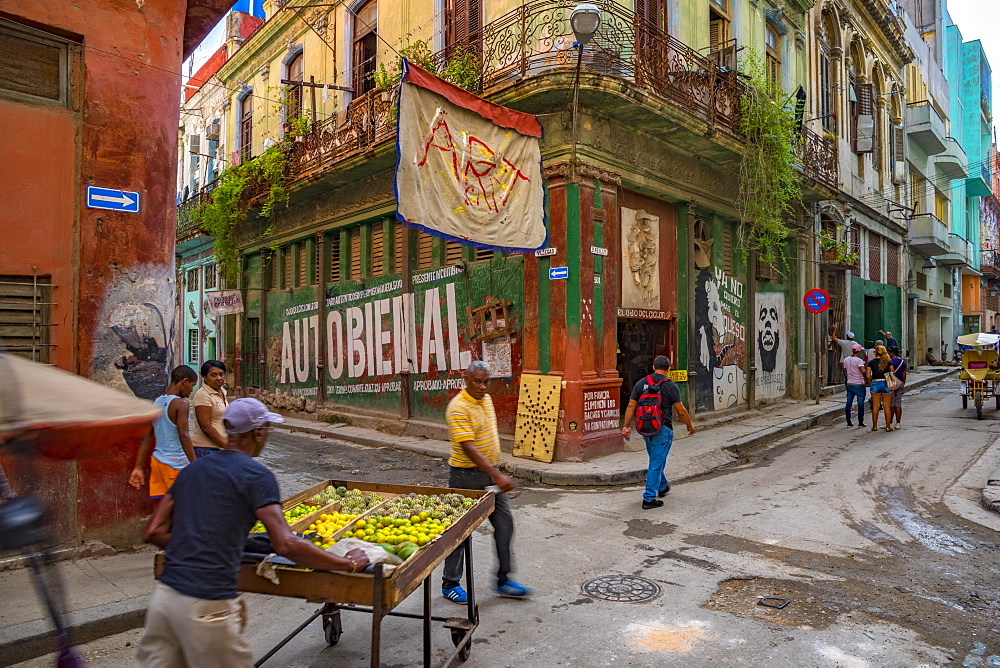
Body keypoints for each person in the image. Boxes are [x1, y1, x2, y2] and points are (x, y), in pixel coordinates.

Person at [136, 398, 369, 667]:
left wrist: (199, 543)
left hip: (164, 602)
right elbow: (285, 544)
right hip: (207, 604)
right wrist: (347, 563)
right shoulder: (255, 476)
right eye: (267, 429)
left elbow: (153, 531)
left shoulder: (191, 471)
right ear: (258, 432)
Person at [441, 361, 530, 603]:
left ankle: (503, 580)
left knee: (504, 524)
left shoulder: (486, 399)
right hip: (465, 477)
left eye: (486, 381)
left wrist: (495, 473)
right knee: (460, 532)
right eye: (477, 381)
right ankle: (450, 583)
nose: (482, 386)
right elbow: (468, 448)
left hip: (490, 477)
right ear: (466, 380)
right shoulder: (458, 407)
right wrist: (498, 475)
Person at [621, 355, 696, 510]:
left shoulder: (641, 383)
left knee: (656, 459)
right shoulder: (670, 386)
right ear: (669, 369)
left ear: (653, 367)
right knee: (656, 462)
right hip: (663, 428)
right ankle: (648, 498)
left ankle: (662, 486)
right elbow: (681, 410)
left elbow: (630, 406)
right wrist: (689, 425)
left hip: (644, 428)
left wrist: (626, 426)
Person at [129, 365, 198, 498]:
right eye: (192, 385)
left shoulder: (157, 402)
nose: (191, 390)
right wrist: (195, 465)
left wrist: (138, 467)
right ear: (184, 381)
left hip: (158, 463)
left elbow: (146, 437)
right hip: (176, 465)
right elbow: (184, 436)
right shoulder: (181, 404)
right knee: (185, 508)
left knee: (165, 509)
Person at [191, 360, 229, 458]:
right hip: (206, 449)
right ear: (204, 377)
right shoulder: (203, 395)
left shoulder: (223, 392)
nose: (219, 378)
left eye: (221, 374)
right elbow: (206, 427)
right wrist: (228, 447)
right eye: (214, 375)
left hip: (219, 448)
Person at [866, 345, 896, 431]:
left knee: (875, 406)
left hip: (875, 383)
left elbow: (868, 375)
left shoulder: (871, 362)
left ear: (876, 352)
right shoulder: (888, 361)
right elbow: (892, 372)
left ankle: (874, 426)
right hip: (886, 383)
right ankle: (888, 426)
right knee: (886, 406)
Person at [843, 343, 867, 427]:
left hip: (850, 383)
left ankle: (848, 422)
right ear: (859, 351)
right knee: (860, 403)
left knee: (848, 403)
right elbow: (863, 371)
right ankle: (860, 422)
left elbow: (845, 370)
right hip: (859, 383)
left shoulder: (846, 359)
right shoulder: (859, 361)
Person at [888, 346, 908, 429]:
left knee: (891, 404)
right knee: (898, 403)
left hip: (891, 384)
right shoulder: (903, 362)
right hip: (900, 383)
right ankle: (898, 423)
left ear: (891, 353)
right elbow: (904, 375)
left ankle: (890, 422)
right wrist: (903, 385)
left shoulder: (889, 361)